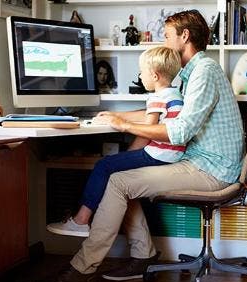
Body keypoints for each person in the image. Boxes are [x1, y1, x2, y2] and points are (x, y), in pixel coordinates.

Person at [31, 9, 244, 282]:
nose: (164, 42)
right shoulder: (189, 72)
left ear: (185, 36)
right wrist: (116, 116)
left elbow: (177, 131)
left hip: (211, 169)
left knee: (118, 181)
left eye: (168, 36)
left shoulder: (203, 71)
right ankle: (143, 256)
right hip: (201, 161)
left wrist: (122, 124)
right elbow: (158, 112)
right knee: (122, 171)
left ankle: (81, 271)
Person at [46, 46, 184, 238]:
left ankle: (81, 220)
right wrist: (118, 118)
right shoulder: (176, 95)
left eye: (142, 72)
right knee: (115, 164)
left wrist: (125, 147)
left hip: (159, 153)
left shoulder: (156, 98)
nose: (140, 76)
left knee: (104, 165)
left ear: (154, 75)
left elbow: (147, 130)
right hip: (174, 154)